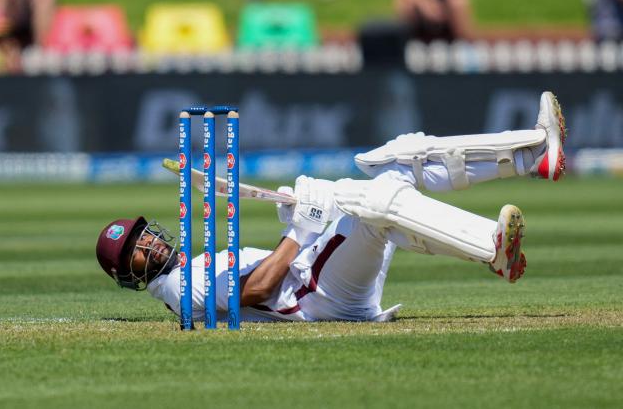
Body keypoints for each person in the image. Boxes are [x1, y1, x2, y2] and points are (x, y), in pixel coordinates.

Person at [96, 92, 566, 323]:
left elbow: (267, 273)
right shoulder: (181, 291)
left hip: (318, 276)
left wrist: (305, 214)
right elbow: (255, 294)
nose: (149, 242)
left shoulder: (193, 268)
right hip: (322, 299)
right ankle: (492, 248)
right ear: (128, 277)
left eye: (144, 233)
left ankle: (532, 156)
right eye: (136, 249)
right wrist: (300, 232)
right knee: (375, 204)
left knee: (396, 161)